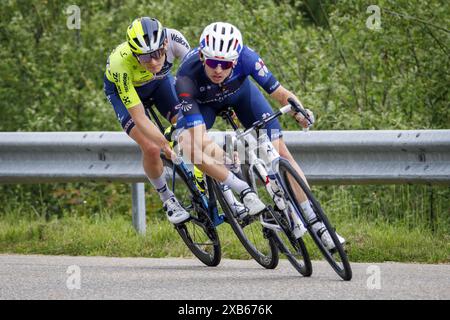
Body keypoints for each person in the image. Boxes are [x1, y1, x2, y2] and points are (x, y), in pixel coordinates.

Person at [175, 22, 345, 249]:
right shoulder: (186, 76)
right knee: (193, 146)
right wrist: (224, 158)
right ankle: (236, 188)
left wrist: (300, 113)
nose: (218, 70)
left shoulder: (247, 57)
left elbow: (281, 93)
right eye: (213, 63)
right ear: (203, 58)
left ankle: (317, 223)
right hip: (203, 106)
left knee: (281, 152)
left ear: (235, 61)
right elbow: (199, 137)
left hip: (242, 97)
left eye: (225, 64)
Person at [103, 17, 191, 224]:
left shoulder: (176, 39)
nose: (153, 62)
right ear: (134, 54)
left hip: (159, 84)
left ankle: (213, 184)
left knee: (188, 125)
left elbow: (196, 77)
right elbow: (140, 117)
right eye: (144, 58)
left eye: (158, 54)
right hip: (125, 93)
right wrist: (165, 144)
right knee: (152, 147)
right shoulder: (120, 63)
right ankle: (167, 199)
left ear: (165, 44)